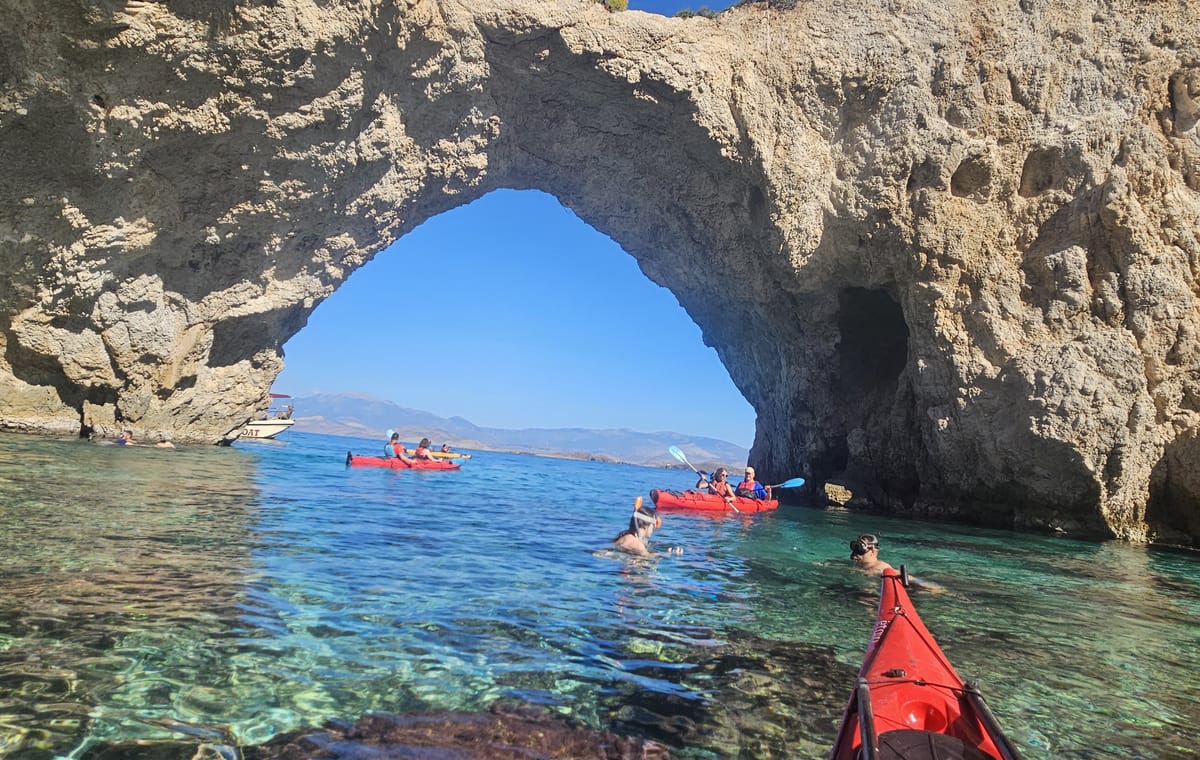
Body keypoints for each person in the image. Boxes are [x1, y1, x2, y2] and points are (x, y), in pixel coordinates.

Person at [850, 534, 945, 592]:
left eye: (860, 549)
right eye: (854, 547)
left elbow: (908, 578)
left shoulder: (880, 568)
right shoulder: (858, 565)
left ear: (873, 552)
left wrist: (934, 588)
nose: (854, 553)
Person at [612, 497, 681, 555]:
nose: (653, 530)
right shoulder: (638, 545)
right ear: (646, 526)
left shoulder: (625, 536)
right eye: (653, 526)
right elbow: (650, 558)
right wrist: (669, 554)